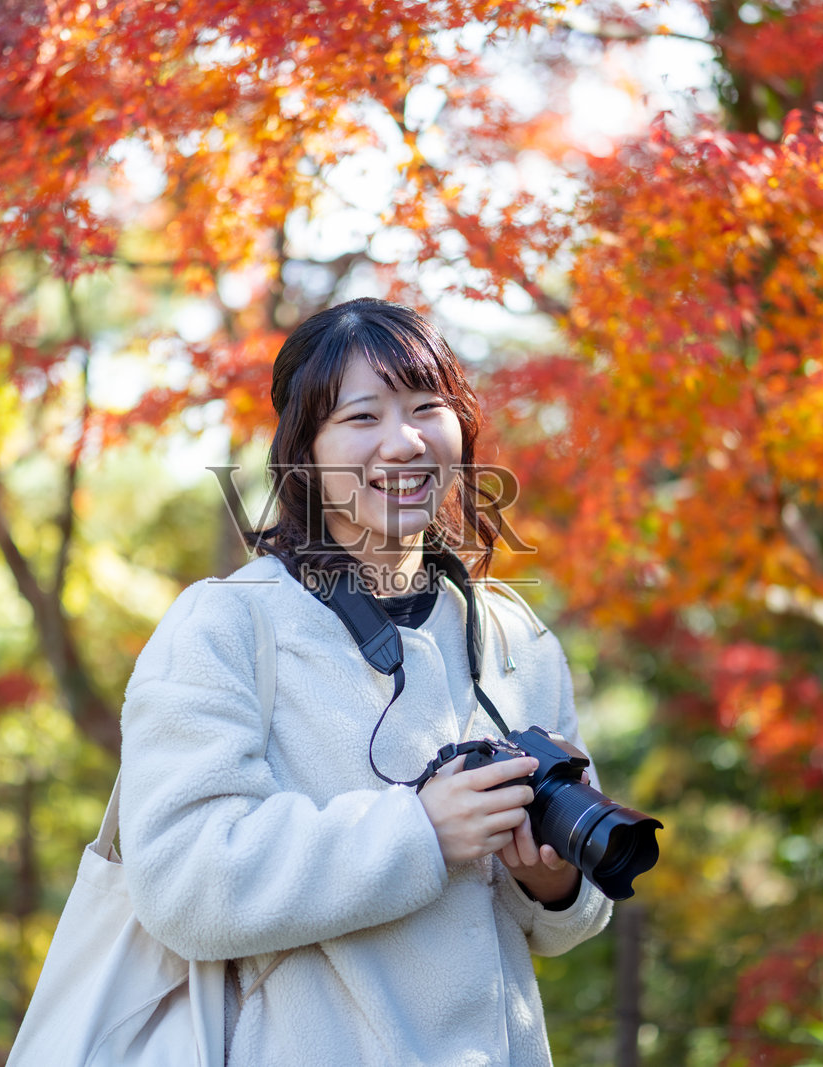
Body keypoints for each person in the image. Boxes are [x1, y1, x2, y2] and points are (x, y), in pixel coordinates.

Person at [118, 297, 613, 1065]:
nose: (404, 441)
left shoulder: (515, 638)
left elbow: (568, 922)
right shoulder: (227, 627)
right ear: (304, 451)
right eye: (362, 417)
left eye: (427, 408)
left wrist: (551, 883)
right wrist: (419, 832)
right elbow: (183, 881)